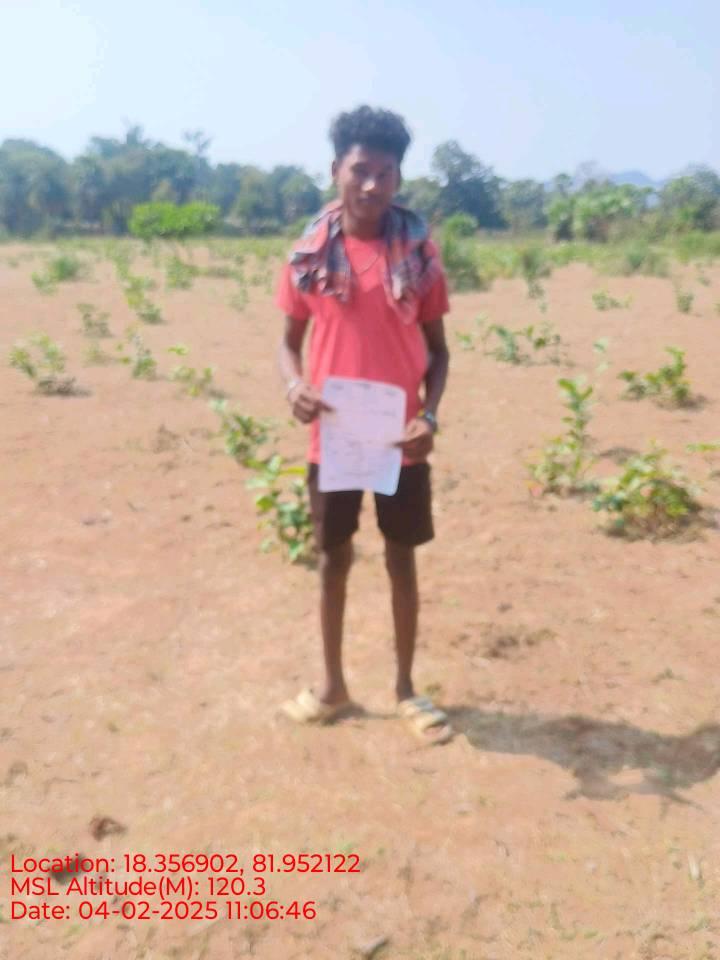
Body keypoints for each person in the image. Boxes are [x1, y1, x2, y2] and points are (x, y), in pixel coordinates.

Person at [275, 105, 452, 744]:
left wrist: (428, 415)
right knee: (334, 558)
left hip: (400, 439)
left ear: (399, 178)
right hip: (334, 438)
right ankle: (333, 687)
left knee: (401, 558)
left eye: (385, 172)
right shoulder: (308, 255)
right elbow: (288, 342)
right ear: (336, 171)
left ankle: (406, 688)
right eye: (360, 170)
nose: (371, 185)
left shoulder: (419, 254)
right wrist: (294, 386)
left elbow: (439, 353)